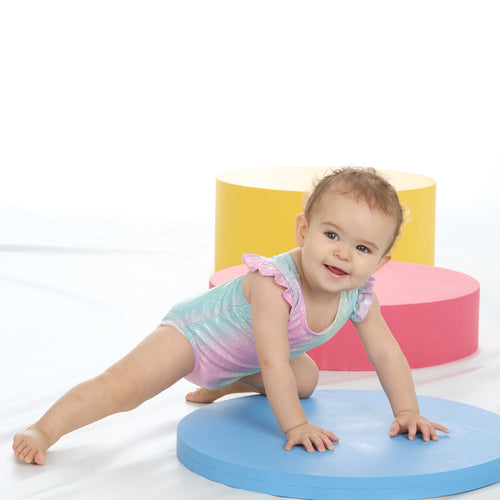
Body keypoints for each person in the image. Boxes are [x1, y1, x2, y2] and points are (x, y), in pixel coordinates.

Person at [12, 167, 449, 465]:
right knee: (123, 389)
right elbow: (273, 361)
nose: (342, 253)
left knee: (308, 378)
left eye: (362, 248)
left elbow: (386, 353)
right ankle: (44, 430)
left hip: (246, 357)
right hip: (195, 338)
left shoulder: (358, 294)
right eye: (331, 234)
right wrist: (295, 424)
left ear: (382, 262)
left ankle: (222, 384)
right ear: (303, 230)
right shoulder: (275, 282)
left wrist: (408, 410)